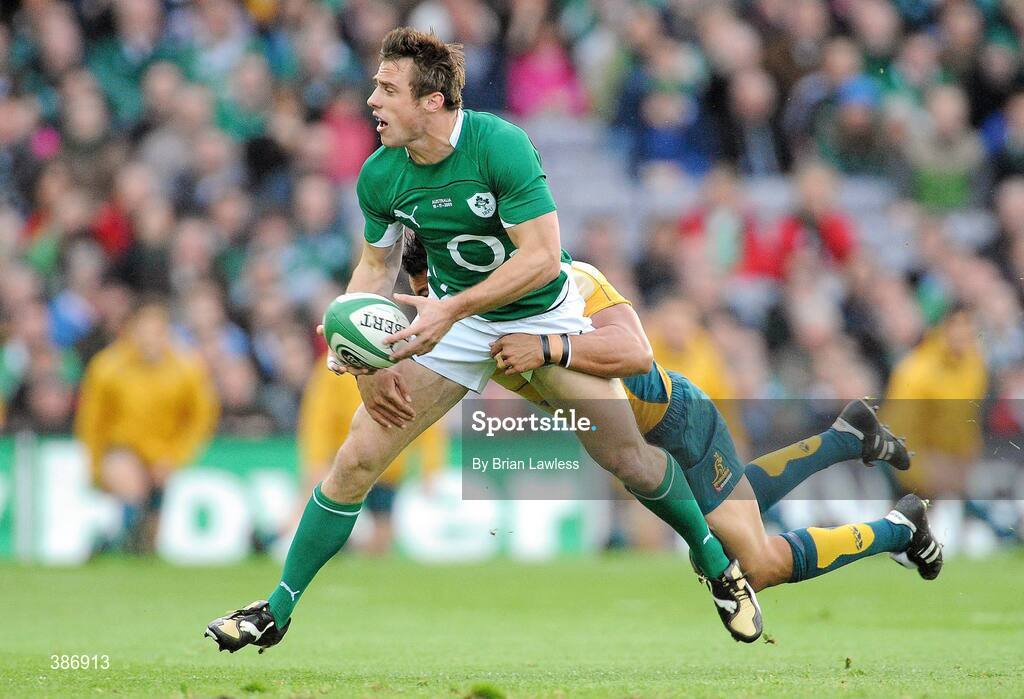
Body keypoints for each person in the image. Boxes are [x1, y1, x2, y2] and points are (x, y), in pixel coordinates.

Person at [205, 28, 761, 653]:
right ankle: (276, 608)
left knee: (626, 456)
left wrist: (452, 309)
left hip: (541, 314)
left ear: (433, 102)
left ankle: (717, 565)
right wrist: (360, 351)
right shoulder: (380, 175)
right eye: (375, 87)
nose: (372, 101)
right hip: (459, 324)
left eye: (388, 89)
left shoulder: (500, 144)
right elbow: (373, 271)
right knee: (359, 452)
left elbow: (544, 260)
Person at [423, 234, 944, 594]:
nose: (433, 298)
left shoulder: (564, 287)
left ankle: (900, 528)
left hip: (676, 423)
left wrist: (549, 348)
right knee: (732, 503)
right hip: (647, 436)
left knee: (755, 565)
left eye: (433, 286)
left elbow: (632, 353)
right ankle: (849, 436)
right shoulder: (472, 325)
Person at [75, 300, 219, 552]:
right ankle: (120, 535)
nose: (149, 340)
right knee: (133, 491)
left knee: (148, 540)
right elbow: (91, 421)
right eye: (143, 331)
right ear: (130, 331)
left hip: (162, 454)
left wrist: (175, 456)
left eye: (157, 332)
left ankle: (110, 542)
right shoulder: (107, 366)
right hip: (121, 448)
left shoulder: (187, 369)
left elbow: (200, 419)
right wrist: (96, 466)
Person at [296, 349, 446, 554]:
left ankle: (360, 560)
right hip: (347, 462)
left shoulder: (404, 360)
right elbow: (319, 419)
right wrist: (317, 461)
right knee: (330, 523)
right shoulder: (334, 366)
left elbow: (425, 415)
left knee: (381, 533)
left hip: (387, 467)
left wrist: (430, 467)